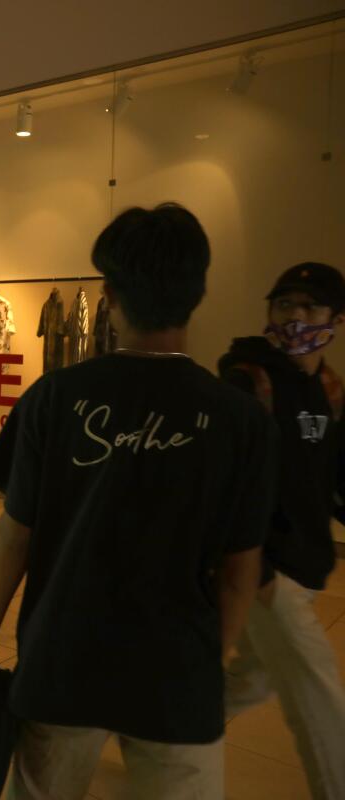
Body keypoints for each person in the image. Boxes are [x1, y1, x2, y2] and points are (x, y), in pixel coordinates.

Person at [0, 204, 275, 798]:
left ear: (110, 296)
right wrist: (212, 666)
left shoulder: (55, 398)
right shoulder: (239, 419)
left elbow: (14, 537)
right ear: (197, 293)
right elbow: (240, 574)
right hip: (178, 674)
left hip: (61, 665)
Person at [218, 262, 345, 800]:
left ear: (335, 319)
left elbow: (332, 479)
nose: (295, 316)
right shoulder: (250, 381)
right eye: (284, 304)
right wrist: (260, 573)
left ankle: (151, 721)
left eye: (309, 307)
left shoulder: (330, 391)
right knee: (322, 705)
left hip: (308, 566)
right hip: (270, 573)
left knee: (253, 679)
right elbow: (222, 482)